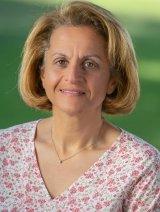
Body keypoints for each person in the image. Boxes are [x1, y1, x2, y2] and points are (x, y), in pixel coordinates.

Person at [0, 0, 160, 211]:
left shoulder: (140, 166)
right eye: (61, 62)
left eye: (90, 64)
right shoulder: (5, 149)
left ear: (112, 81)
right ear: (42, 74)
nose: (73, 76)